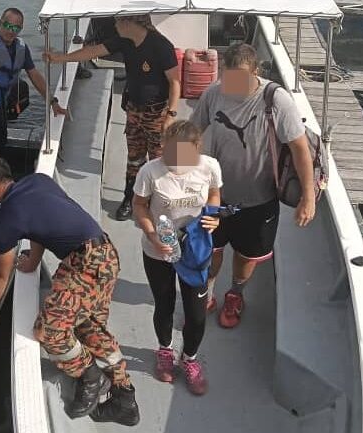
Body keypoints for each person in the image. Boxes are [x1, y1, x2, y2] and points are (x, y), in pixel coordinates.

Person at [0, 154, 139, 426]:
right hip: (105, 254)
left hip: (85, 265)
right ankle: (125, 399)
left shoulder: (8, 218)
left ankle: (89, 375)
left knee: (49, 332)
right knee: (89, 327)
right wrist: (34, 260)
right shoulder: (38, 181)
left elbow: (0, 275)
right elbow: (40, 224)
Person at [189, 43, 316, 328]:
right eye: (228, 77)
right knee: (211, 249)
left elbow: (299, 149)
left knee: (247, 255)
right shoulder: (214, 93)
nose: (232, 85)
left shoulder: (277, 101)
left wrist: (309, 197)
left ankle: (235, 293)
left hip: (259, 200)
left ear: (256, 73)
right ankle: (206, 290)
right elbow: (192, 132)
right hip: (215, 197)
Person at [44, 15, 181, 221]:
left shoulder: (161, 46)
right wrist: (60, 58)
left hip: (158, 112)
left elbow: (175, 82)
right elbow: (92, 51)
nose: (115, 25)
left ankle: (158, 202)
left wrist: (170, 115)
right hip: (134, 109)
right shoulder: (124, 40)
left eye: (117, 21)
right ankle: (130, 198)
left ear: (130, 22)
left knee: (158, 160)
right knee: (134, 157)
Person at [132, 120, 222, 395]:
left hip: (194, 249)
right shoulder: (151, 172)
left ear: (196, 150)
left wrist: (213, 216)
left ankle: (190, 359)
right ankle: (165, 351)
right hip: (160, 250)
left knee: (196, 315)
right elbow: (139, 205)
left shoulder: (209, 166)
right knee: (165, 303)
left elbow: (214, 194)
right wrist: (152, 235)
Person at [0, 7, 66, 159]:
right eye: (8, 26)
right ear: (0, 23)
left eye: (16, 27)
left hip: (0, 105)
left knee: (0, 142)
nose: (11, 31)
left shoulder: (21, 48)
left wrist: (52, 102)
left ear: (21, 29)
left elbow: (34, 75)